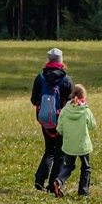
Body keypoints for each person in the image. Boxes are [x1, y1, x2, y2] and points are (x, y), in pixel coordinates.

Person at [31, 48, 73, 192]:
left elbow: (33, 100)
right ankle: (53, 186)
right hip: (61, 120)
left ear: (48, 60)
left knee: (49, 150)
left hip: (44, 119)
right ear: (61, 61)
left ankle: (39, 179)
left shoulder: (40, 78)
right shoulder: (66, 80)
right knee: (60, 153)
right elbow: (70, 102)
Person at [54, 83, 96, 196]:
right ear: (84, 96)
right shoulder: (85, 110)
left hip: (69, 144)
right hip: (83, 145)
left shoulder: (65, 110)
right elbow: (93, 125)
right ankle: (83, 191)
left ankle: (59, 180)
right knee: (86, 167)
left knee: (68, 166)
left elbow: (59, 129)